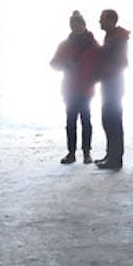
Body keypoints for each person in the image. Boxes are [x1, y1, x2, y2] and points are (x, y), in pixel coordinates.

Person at [48, 10, 100, 165]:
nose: (75, 28)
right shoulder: (65, 45)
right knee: (71, 121)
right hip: (70, 88)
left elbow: (100, 64)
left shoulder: (93, 45)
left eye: (77, 25)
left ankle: (86, 153)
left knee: (85, 121)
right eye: (72, 25)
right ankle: (71, 153)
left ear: (84, 25)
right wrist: (66, 65)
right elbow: (53, 63)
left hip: (85, 88)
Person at [94, 8, 130, 170]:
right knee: (108, 121)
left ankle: (115, 159)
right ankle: (111, 155)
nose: (99, 22)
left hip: (114, 83)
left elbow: (120, 62)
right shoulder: (111, 37)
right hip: (109, 82)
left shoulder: (118, 39)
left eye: (102, 19)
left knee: (113, 121)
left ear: (110, 21)